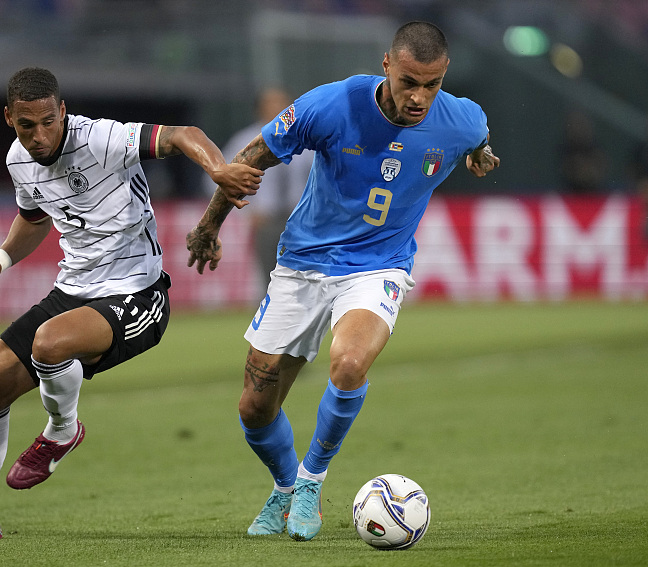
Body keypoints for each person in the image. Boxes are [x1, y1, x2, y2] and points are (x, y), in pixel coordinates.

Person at [0, 67, 262, 541]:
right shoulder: (19, 159)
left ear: (62, 111)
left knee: (49, 344)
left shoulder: (101, 139)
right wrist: (0, 259)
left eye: (48, 122)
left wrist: (217, 169)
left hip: (137, 294)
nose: (39, 136)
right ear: (9, 119)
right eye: (26, 125)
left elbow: (184, 134)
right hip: (73, 290)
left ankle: (62, 430)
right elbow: (34, 218)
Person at [186, 21, 500, 542]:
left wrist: (478, 152)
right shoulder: (331, 106)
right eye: (409, 82)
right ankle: (285, 487)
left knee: (350, 363)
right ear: (387, 65)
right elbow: (251, 159)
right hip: (303, 262)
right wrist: (207, 227)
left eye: (432, 85)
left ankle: (311, 481)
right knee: (254, 406)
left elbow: (478, 136)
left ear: (444, 75)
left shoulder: (462, 119)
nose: (419, 97)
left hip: (379, 264)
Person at [216, 87, 314, 286]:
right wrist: (246, 210)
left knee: (306, 276)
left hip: (301, 218)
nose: (278, 108)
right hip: (266, 220)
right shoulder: (245, 141)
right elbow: (218, 178)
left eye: (283, 103)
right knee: (270, 276)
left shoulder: (305, 139)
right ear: (259, 109)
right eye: (271, 104)